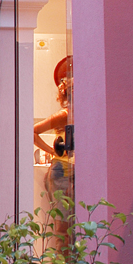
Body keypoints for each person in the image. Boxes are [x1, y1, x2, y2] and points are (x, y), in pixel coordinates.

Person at [34, 76, 74, 248]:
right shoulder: (65, 115)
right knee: (63, 227)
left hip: (70, 169)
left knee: (70, 225)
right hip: (62, 170)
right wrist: (52, 150)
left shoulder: (76, 113)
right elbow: (33, 131)